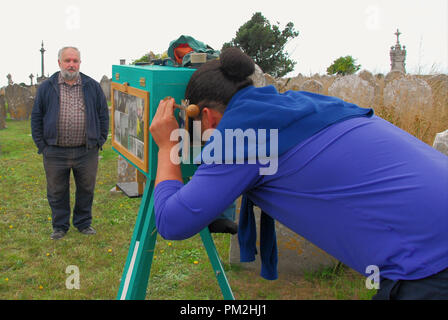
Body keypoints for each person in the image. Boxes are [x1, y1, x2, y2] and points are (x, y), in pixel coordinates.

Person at [148, 47, 448, 300]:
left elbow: (172, 222)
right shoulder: (297, 107)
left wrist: (166, 146)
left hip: (429, 260)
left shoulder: (241, 135)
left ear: (206, 118)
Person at [31, 46, 109, 240]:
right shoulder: (47, 87)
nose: (71, 65)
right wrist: (42, 145)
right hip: (55, 151)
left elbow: (102, 115)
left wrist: (99, 140)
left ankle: (83, 223)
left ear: (80, 63)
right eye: (67, 61)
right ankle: (60, 226)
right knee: (57, 190)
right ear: (59, 63)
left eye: (75, 61)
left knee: (86, 189)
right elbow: (36, 117)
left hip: (86, 150)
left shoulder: (92, 86)